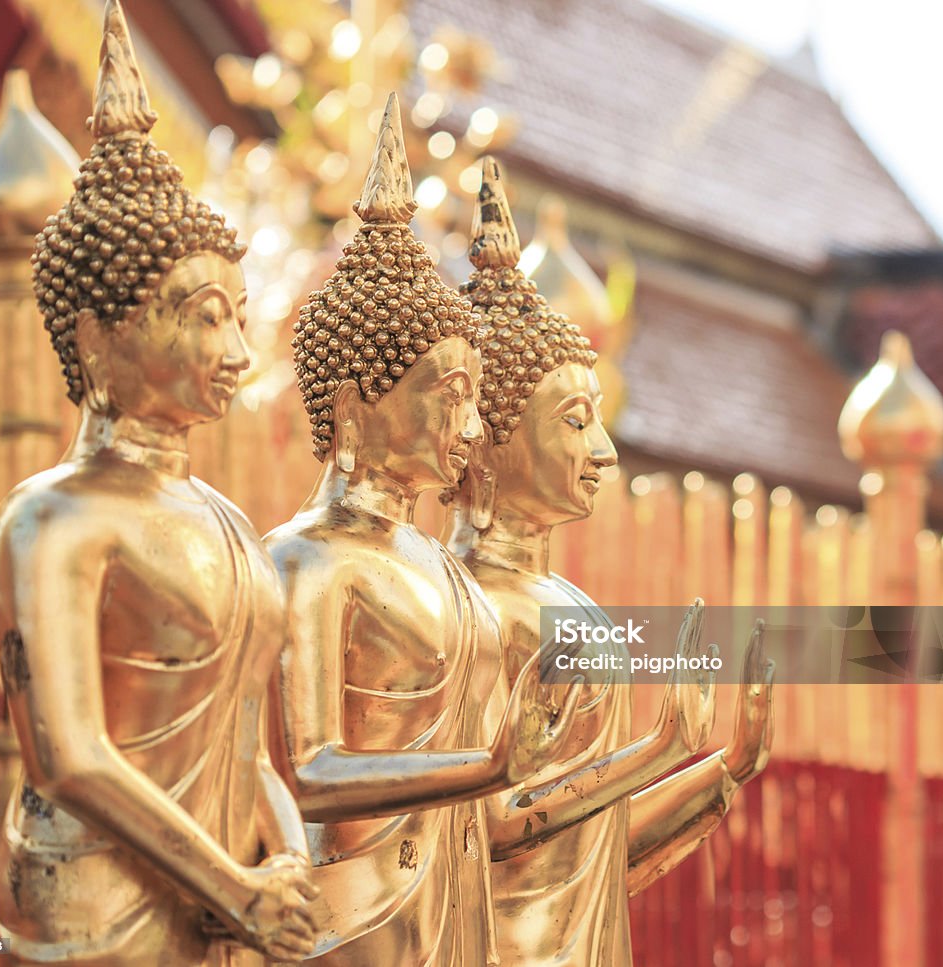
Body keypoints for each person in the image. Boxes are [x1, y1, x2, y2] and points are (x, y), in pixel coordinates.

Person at [0, 3, 316, 963]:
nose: (236, 352)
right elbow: (71, 754)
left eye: (239, 318)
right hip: (92, 903)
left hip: (225, 895)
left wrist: (285, 865)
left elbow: (252, 746)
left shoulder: (228, 524)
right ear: (98, 336)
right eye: (202, 318)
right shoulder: (50, 518)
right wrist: (234, 884)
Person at [263, 94, 580, 966]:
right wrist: (484, 765)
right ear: (356, 408)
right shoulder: (305, 561)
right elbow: (307, 771)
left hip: (457, 904)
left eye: (478, 401)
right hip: (352, 914)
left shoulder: (444, 569)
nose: (472, 430)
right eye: (450, 398)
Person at [443, 157, 775, 966]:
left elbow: (592, 851)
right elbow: (473, 832)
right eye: (575, 421)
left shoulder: (568, 605)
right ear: (487, 434)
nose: (604, 451)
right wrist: (655, 752)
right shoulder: (454, 604)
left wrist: (726, 765)